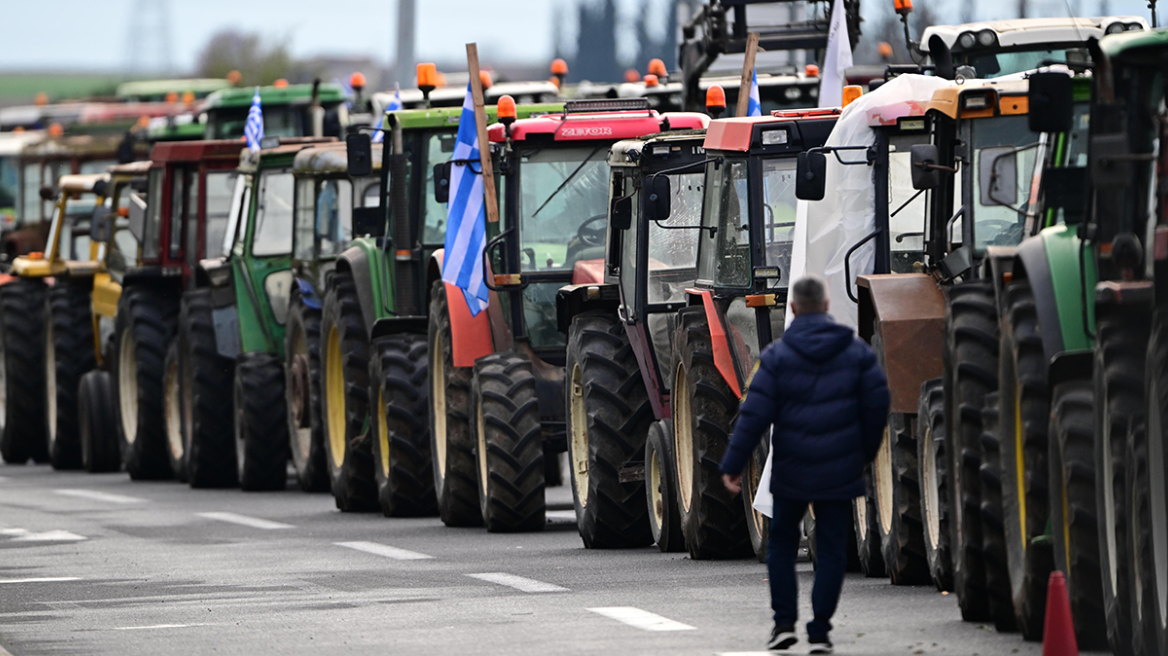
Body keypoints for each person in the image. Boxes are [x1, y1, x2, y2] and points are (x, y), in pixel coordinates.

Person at [721, 274, 889, 654]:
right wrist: (863, 454)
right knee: (831, 549)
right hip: (839, 470)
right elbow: (878, 406)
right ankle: (820, 630)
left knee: (781, 544)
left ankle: (783, 624)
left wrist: (733, 464)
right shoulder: (857, 352)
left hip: (792, 471)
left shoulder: (776, 357)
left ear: (793, 309)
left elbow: (753, 416)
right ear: (827, 306)